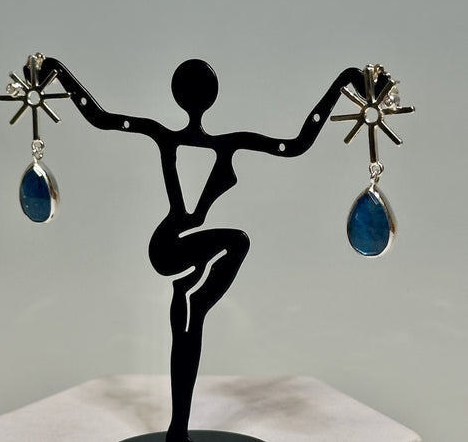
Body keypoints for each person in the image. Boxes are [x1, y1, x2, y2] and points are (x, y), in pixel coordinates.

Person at [35, 57, 363, 442]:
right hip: (166, 247)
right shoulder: (179, 138)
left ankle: (193, 318)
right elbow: (101, 118)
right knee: (234, 246)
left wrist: (343, 84)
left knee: (210, 290)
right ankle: (196, 299)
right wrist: (55, 72)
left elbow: (294, 145)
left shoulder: (214, 142)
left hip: (183, 248)